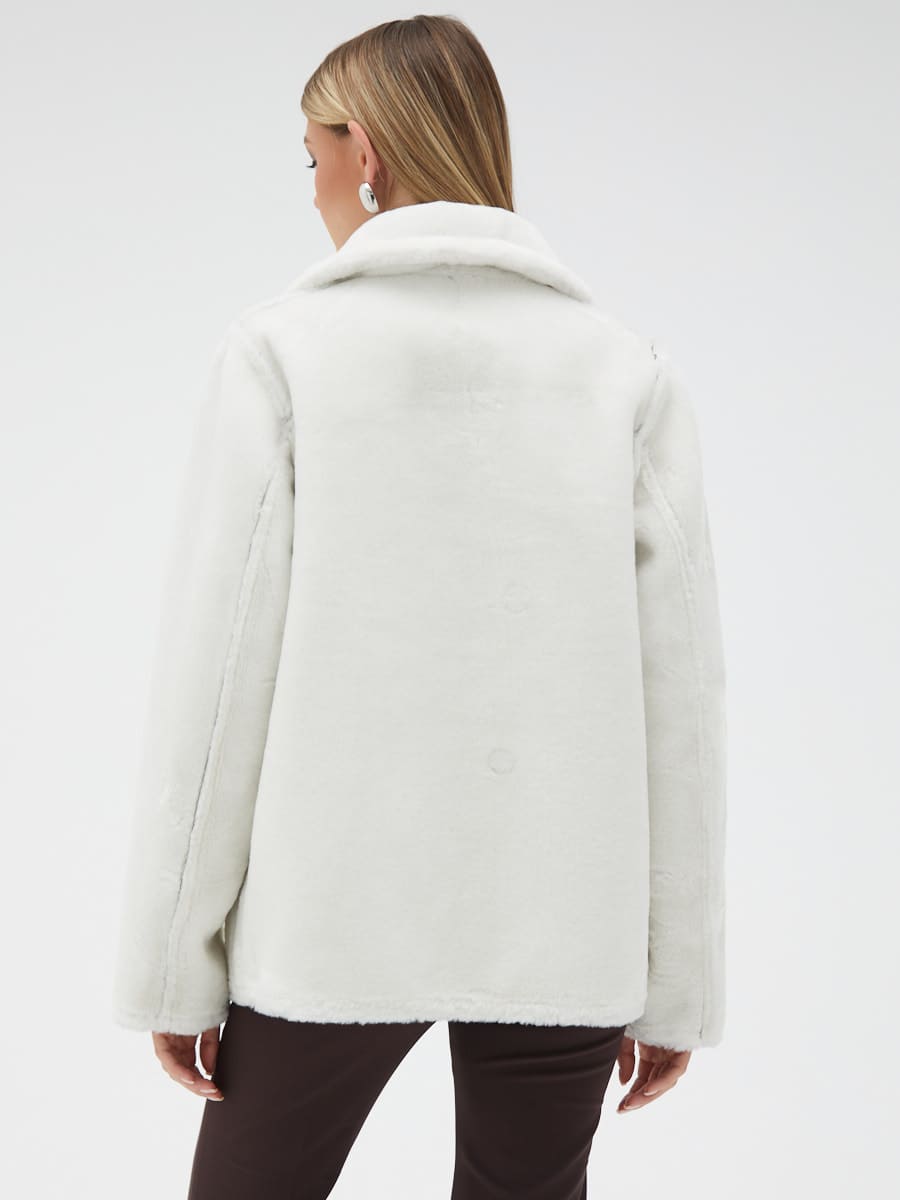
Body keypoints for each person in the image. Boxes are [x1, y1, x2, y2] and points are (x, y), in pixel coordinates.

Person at [111, 14, 728, 1199]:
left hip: (327, 920)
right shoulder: (624, 374)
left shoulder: (283, 356)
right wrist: (678, 981)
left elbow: (219, 676)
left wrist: (173, 968)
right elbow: (682, 704)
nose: (312, 190)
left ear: (369, 152)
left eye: (312, 157)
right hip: (566, 923)